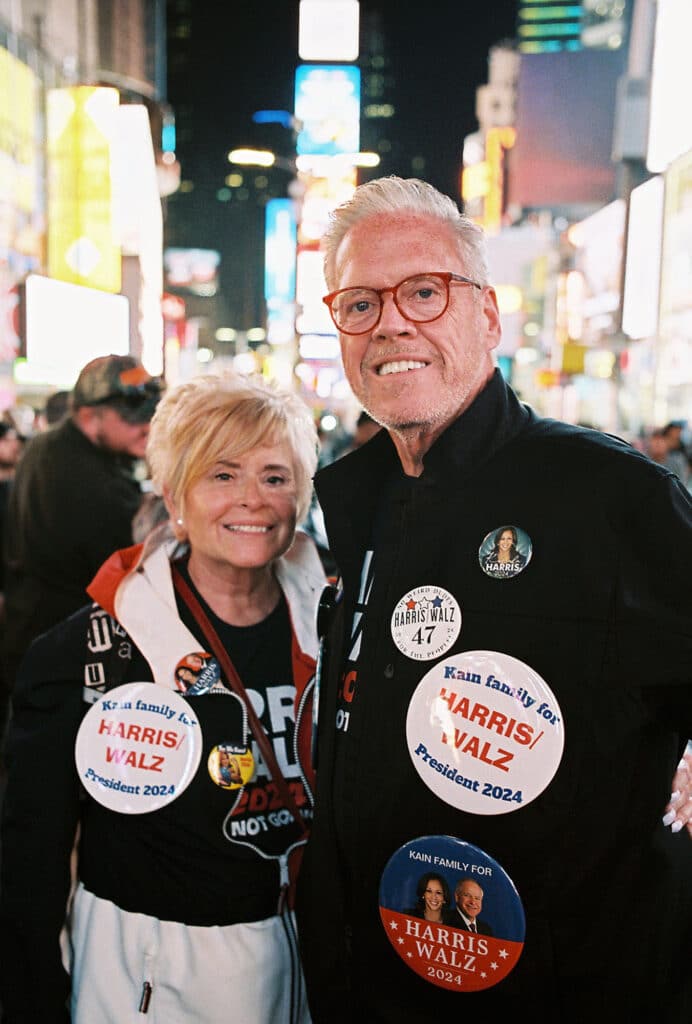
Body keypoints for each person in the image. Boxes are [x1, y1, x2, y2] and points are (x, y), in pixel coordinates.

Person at [296, 176, 692, 1023]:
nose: (392, 322)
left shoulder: (613, 496)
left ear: (488, 315)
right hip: (368, 983)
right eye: (360, 302)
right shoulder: (357, 506)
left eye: (425, 291)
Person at [0, 371, 325, 1022]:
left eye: (276, 476)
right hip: (154, 984)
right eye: (222, 475)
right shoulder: (91, 654)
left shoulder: (341, 630)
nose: (253, 500)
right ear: (175, 497)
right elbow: (29, 857)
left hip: (307, 964)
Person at [2, 354, 162, 696]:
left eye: (150, 415)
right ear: (90, 416)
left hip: (31, 628)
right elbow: (130, 570)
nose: (146, 426)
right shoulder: (87, 478)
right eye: (133, 418)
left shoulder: (46, 446)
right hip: (62, 646)